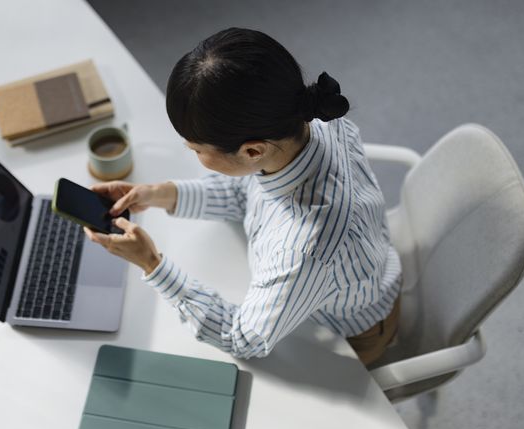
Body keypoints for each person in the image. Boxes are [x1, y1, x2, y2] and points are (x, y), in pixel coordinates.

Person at [84, 27, 401, 365]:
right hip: (348, 276)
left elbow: (243, 339)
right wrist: (159, 194)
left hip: (348, 337)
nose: (191, 153)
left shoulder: (307, 247)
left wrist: (152, 263)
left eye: (195, 149)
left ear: (252, 151)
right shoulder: (308, 122)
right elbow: (245, 191)